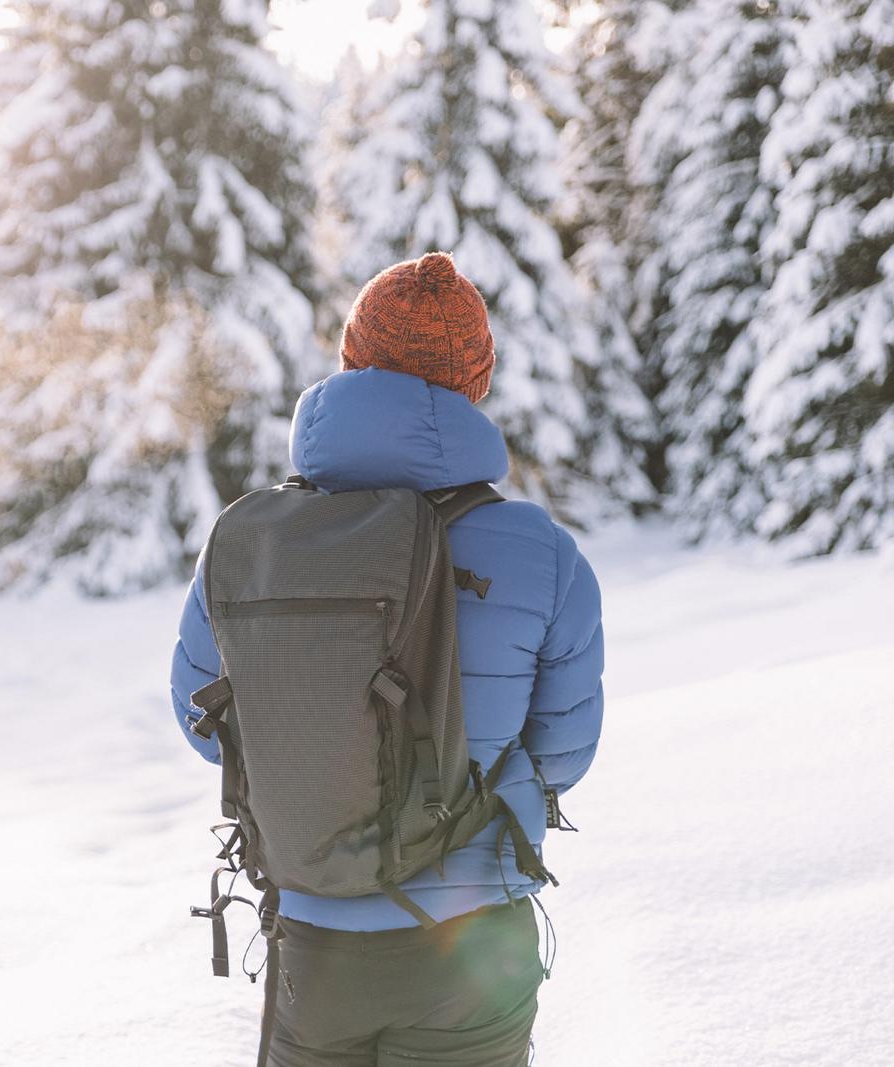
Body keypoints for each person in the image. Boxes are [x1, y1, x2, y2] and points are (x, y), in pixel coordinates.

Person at [169, 252, 604, 1067]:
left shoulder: (251, 539)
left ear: (351, 362)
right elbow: (565, 754)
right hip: (472, 941)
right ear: (473, 383)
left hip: (314, 938)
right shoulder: (541, 554)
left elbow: (204, 724)